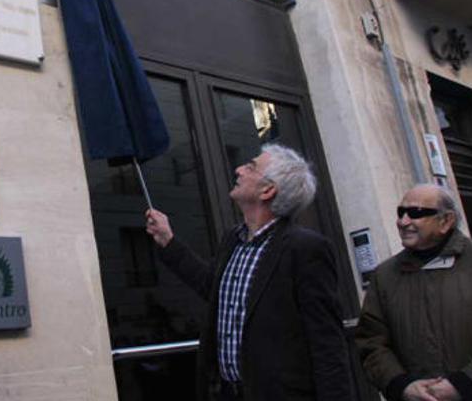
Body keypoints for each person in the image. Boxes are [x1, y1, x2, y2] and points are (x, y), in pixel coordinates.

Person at [145, 144, 355, 400]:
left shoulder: (305, 249)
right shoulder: (232, 239)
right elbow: (212, 288)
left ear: (268, 190)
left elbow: (327, 343)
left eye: (251, 166)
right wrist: (168, 241)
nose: (239, 169)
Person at [356, 184, 472, 401]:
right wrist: (401, 385)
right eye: (401, 212)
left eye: (417, 213)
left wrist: (467, 384)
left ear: (446, 221)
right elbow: (371, 342)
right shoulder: (384, 276)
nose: (403, 222)